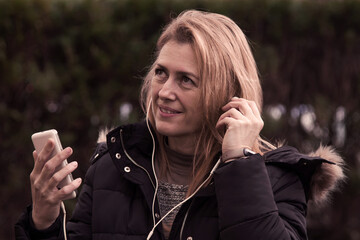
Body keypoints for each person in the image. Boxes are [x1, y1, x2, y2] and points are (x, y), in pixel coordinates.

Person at [15, 10, 345, 240]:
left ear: (227, 94)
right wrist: (43, 220)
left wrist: (240, 165)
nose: (164, 92)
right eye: (161, 73)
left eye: (186, 80)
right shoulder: (114, 165)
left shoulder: (275, 180)